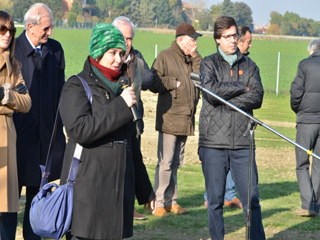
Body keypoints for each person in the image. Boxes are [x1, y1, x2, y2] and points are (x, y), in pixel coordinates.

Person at [59, 23, 140, 239]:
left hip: (117, 191)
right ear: (97, 53)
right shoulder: (76, 85)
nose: (118, 59)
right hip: (87, 193)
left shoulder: (124, 87)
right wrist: (121, 106)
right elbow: (80, 130)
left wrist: (144, 188)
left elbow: (132, 142)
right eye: (112, 52)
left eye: (122, 53)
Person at [1, 3, 66, 240]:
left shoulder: (55, 51)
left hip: (45, 138)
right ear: (30, 27)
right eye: (46, 28)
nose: (50, 33)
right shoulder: (12, 51)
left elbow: (60, 92)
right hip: (17, 138)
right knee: (7, 202)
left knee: (37, 200)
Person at [199, 16, 265, 240]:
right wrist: (240, 87)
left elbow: (257, 97)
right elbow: (209, 92)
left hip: (243, 143)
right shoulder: (208, 63)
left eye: (235, 35)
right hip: (213, 144)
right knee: (215, 201)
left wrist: (226, 100)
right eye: (227, 36)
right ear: (218, 39)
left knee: (252, 199)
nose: (232, 40)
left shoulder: (250, 66)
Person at [150, 23, 202, 217]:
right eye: (192, 39)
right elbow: (153, 81)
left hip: (187, 117)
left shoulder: (193, 59)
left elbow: (202, 76)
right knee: (165, 161)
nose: (195, 43)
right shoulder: (165, 56)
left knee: (176, 163)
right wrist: (174, 84)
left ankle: (173, 201)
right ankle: (160, 202)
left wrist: (195, 56)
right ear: (181, 40)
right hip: (170, 117)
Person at [112, 16, 155, 221]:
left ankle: (129, 207)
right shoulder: (107, 60)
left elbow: (148, 78)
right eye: (122, 37)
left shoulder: (136, 59)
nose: (126, 42)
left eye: (129, 38)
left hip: (132, 122)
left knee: (131, 166)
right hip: (111, 124)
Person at [0, 10, 31, 238]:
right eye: (2, 29)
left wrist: (7, 97)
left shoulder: (15, 65)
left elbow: (27, 102)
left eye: (11, 30)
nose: (8, 34)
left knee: (7, 210)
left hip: (8, 138)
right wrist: (9, 100)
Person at [290, 38, 320, 217]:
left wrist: (298, 109)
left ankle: (307, 204)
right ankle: (316, 203)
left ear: (310, 50)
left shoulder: (304, 65)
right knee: (318, 162)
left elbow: (296, 92)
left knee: (302, 163)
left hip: (306, 120)